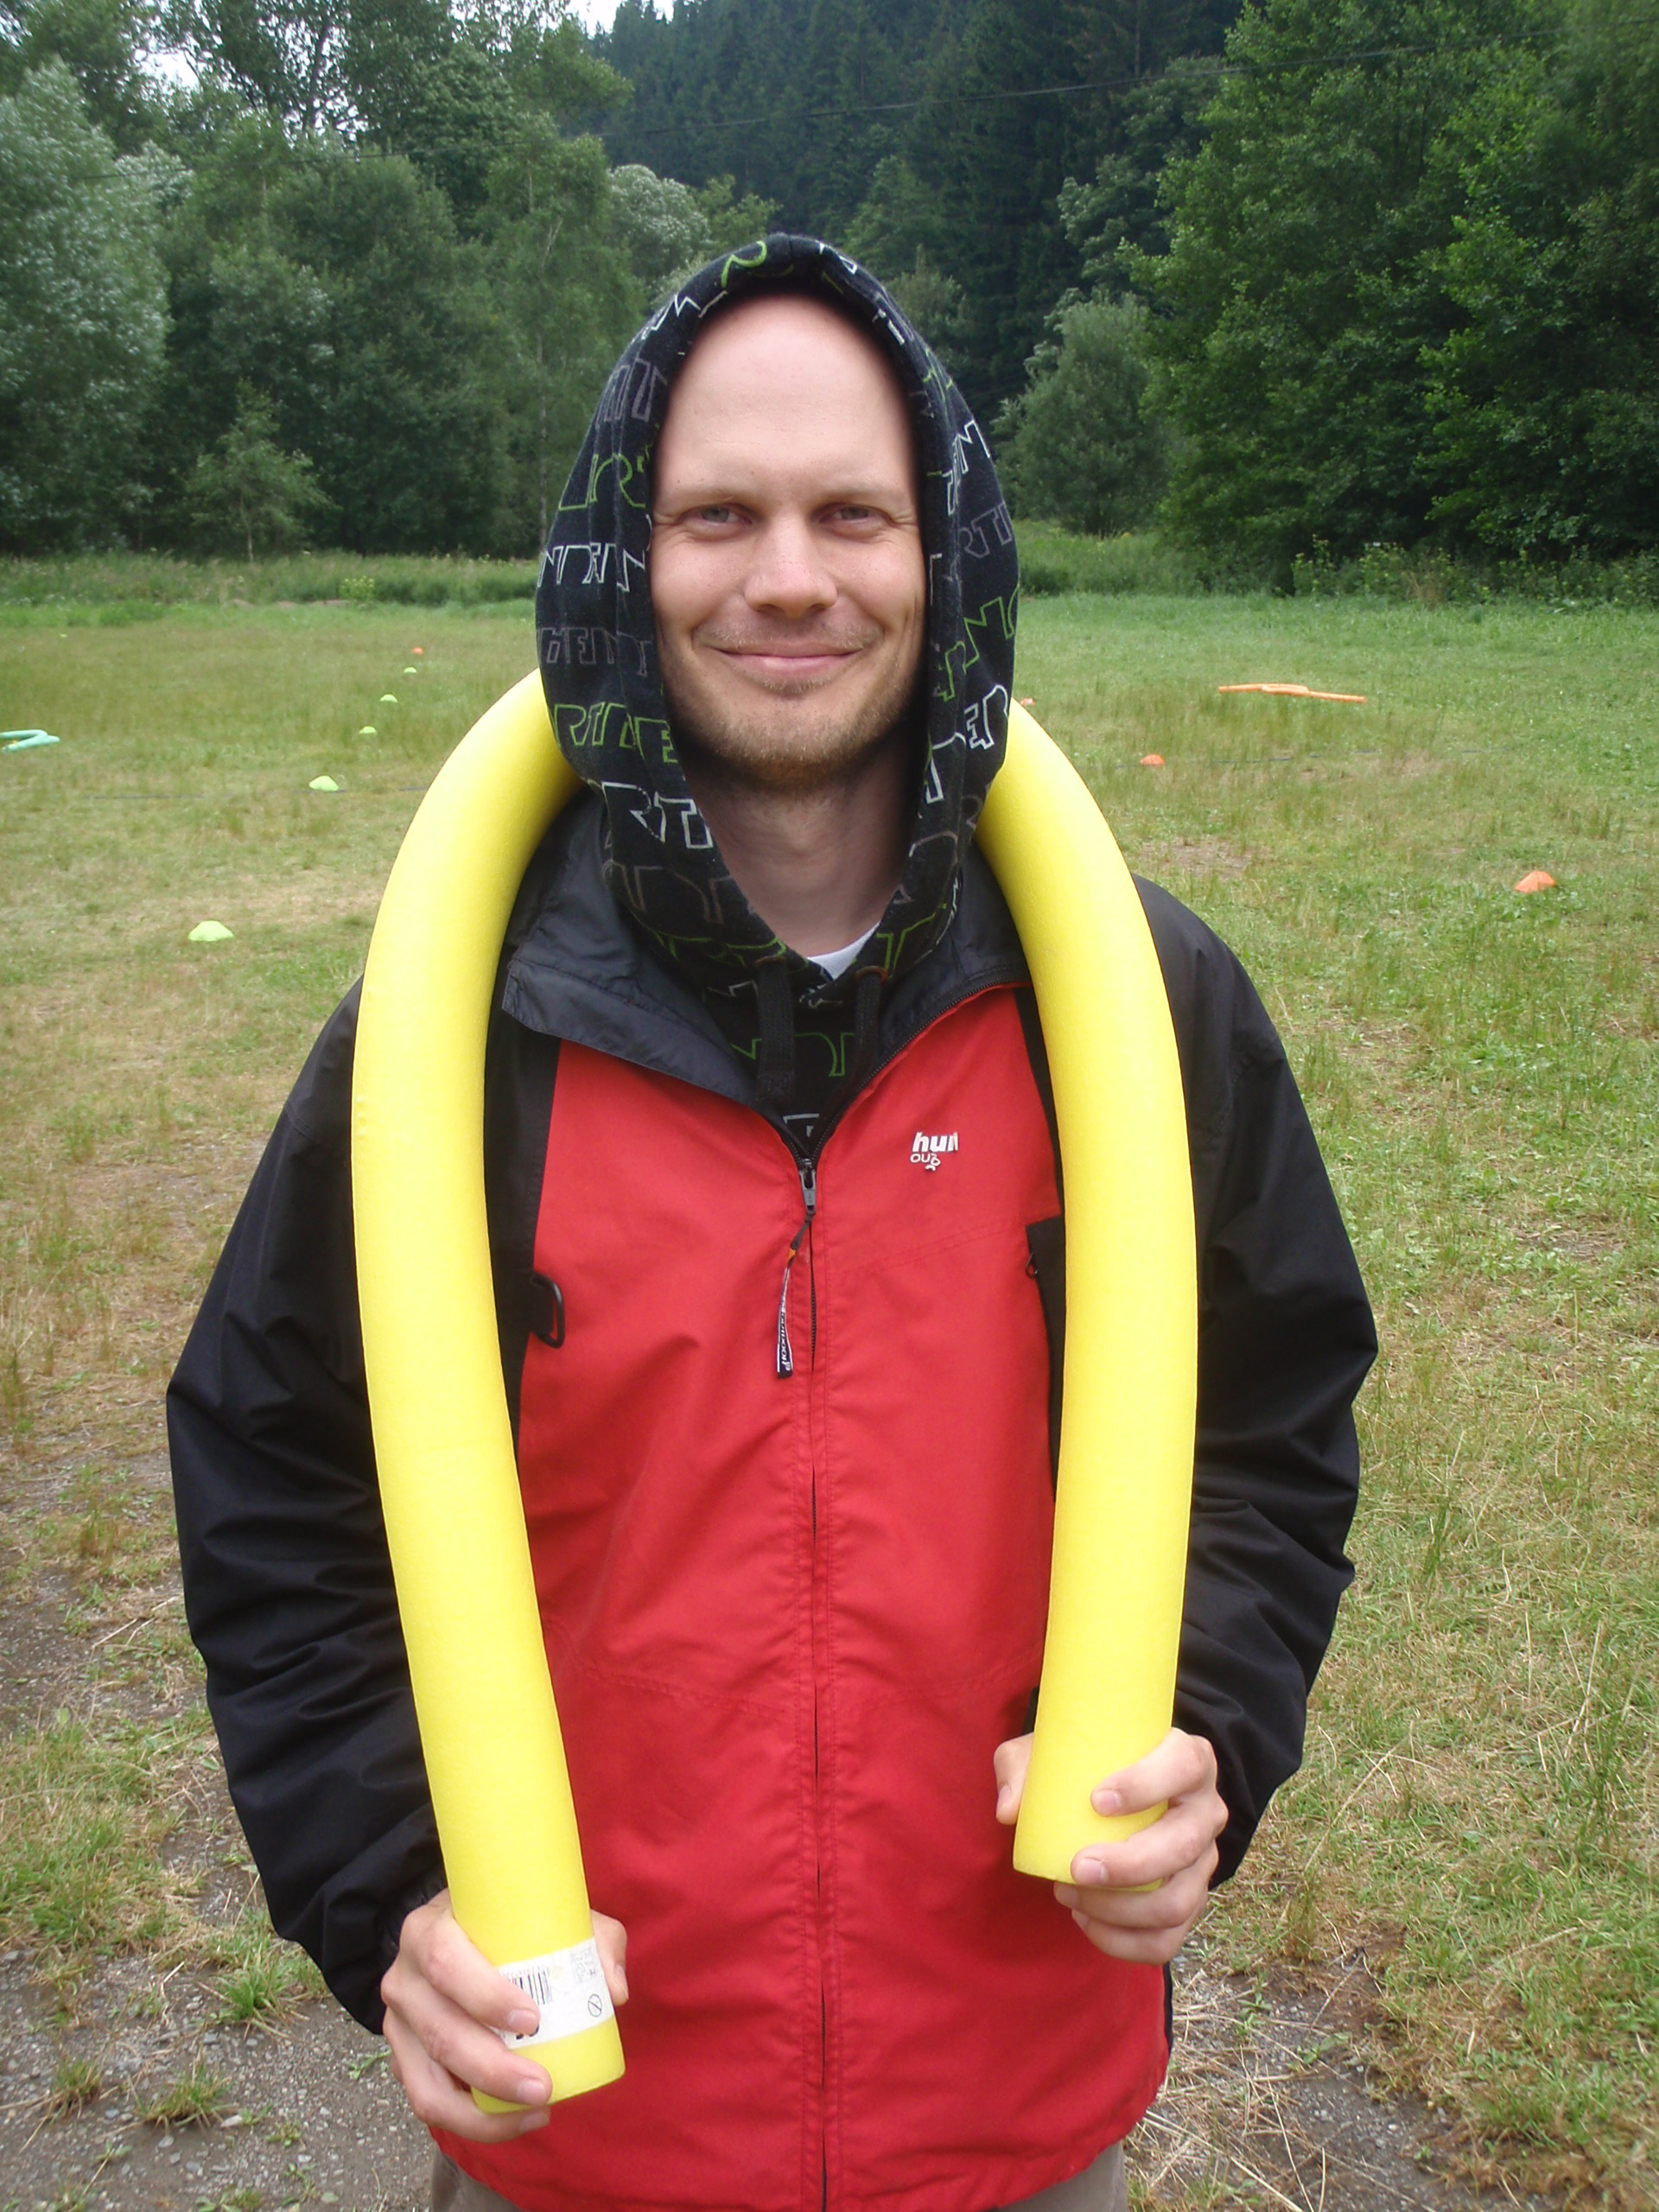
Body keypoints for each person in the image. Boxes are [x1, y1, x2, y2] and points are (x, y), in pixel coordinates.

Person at [168, 237, 1375, 2212]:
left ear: (945, 551)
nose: (791, 578)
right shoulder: (453, 1036)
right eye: (716, 515)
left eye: (854, 515)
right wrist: (386, 1885)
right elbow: (278, 1486)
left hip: (1011, 2119)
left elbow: (1271, 1421)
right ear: (618, 561)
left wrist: (1213, 1721)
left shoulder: (1143, 1006)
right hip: (587, 2132)